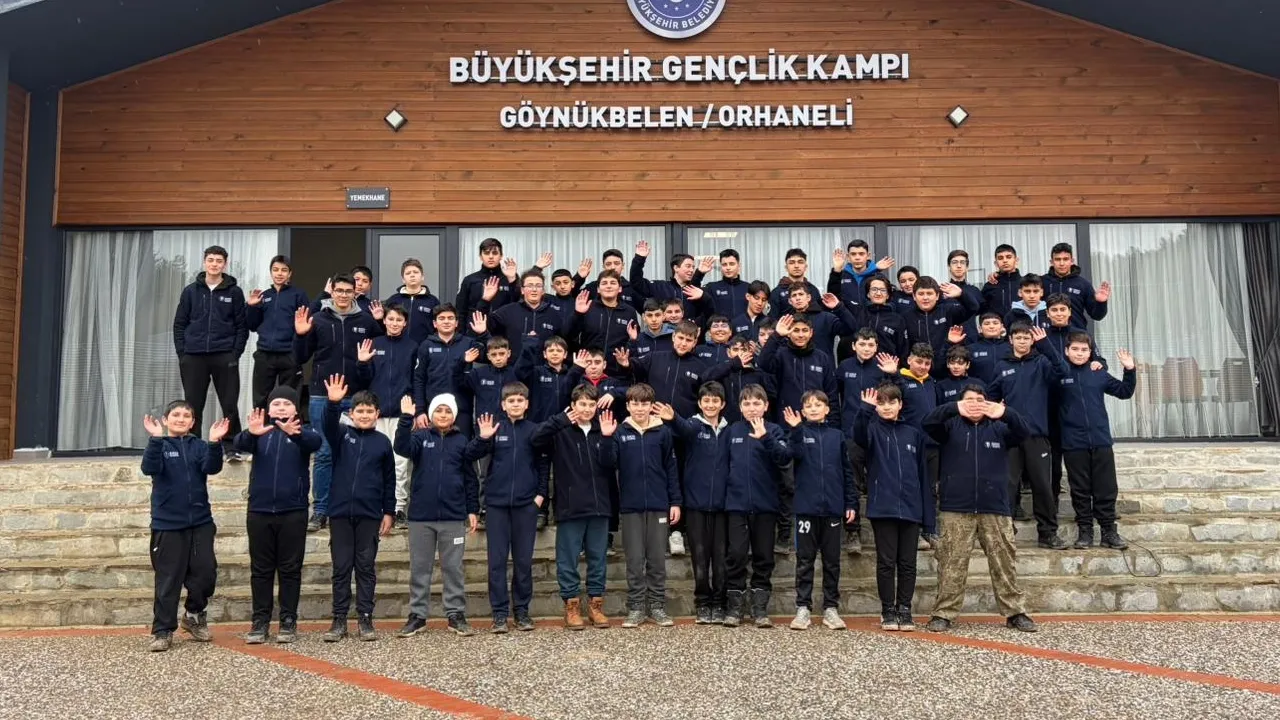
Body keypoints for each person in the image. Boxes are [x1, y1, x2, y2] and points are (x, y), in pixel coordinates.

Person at [922, 386, 1038, 634]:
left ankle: (1015, 612)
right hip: (956, 508)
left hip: (995, 508)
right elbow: (928, 423)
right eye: (969, 400)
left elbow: (1024, 431)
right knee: (951, 562)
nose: (975, 404)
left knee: (1004, 562)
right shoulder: (949, 427)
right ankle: (943, 613)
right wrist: (954, 408)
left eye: (979, 400)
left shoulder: (1000, 429)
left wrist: (1005, 413)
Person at [293, 274, 385, 532]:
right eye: (339, 290)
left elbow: (374, 363)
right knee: (324, 453)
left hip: (355, 398)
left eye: (348, 291)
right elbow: (300, 357)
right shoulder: (318, 319)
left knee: (356, 453)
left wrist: (364, 364)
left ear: (355, 293)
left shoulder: (366, 321)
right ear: (331, 292)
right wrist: (301, 335)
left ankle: (354, 507)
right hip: (322, 396)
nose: (343, 295)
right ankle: (320, 511)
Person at [394, 394, 487, 638]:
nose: (443, 415)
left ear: (454, 415)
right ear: (431, 414)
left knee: (453, 568)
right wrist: (406, 419)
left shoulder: (462, 441)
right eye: (439, 410)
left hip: (453, 517)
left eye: (447, 411)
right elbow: (401, 447)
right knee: (420, 568)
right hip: (421, 517)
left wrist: (472, 509)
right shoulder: (420, 437)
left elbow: (470, 478)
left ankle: (455, 614)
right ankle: (417, 615)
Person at [233, 388, 322, 645]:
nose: (281, 407)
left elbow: (315, 443)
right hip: (259, 511)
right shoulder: (261, 431)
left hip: (293, 512)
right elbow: (239, 444)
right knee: (260, 570)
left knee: (290, 569)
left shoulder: (302, 432)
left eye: (286, 403)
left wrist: (296, 434)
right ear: (269, 409)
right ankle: (260, 621)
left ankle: (288, 620)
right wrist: (251, 433)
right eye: (276, 403)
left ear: (295, 408)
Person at [140, 403, 228, 652]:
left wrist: (214, 442)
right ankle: (162, 630)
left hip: (200, 522)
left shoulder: (198, 446)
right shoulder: (160, 445)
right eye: (176, 415)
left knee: (206, 574)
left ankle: (193, 615)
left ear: (193, 422)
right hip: (167, 524)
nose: (181, 419)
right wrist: (155, 439)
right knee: (168, 580)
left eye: (186, 415)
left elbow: (212, 467)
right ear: (165, 420)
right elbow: (149, 468)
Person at [531, 384, 619, 630]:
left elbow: (611, 463)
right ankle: (571, 605)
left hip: (600, 505)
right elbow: (535, 439)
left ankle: (596, 605)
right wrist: (559, 419)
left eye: (591, 404)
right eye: (582, 404)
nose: (587, 409)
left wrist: (608, 438)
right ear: (573, 405)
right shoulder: (561, 430)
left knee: (598, 558)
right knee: (567, 559)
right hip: (570, 506)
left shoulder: (604, 428)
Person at [852, 384, 935, 632]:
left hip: (911, 506)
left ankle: (905, 608)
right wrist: (865, 410)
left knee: (908, 563)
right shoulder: (872, 430)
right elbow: (858, 435)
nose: (886, 407)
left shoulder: (913, 434)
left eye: (891, 402)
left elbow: (923, 475)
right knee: (886, 562)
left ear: (900, 404)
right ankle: (888, 609)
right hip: (883, 507)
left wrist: (928, 519)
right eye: (881, 403)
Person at [319, 376, 396, 643]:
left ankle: (365, 618)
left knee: (365, 567)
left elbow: (389, 480)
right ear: (351, 414)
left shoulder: (383, 442)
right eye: (360, 411)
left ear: (377, 414)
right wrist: (333, 403)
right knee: (341, 567)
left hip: (369, 514)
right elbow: (328, 425)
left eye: (369, 411)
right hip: (340, 512)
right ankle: (339, 620)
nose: (364, 415)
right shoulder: (341, 435)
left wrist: (389, 511)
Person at [986, 323, 1069, 549]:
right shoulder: (1002, 366)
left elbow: (1063, 371)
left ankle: (1048, 533)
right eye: (1018, 337)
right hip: (1010, 435)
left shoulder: (1042, 362)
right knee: (1008, 485)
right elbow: (992, 397)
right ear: (1010, 340)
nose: (1022, 341)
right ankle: (1005, 532)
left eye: (1026, 338)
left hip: (1037, 435)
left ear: (1032, 341)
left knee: (1042, 485)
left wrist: (1046, 345)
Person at [656, 384, 730, 624]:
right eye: (706, 400)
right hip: (696, 504)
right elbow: (683, 429)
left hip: (722, 506)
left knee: (720, 558)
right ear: (699, 403)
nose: (710, 405)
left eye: (715, 401)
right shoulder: (694, 425)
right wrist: (673, 418)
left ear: (722, 404)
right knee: (700, 557)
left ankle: (719, 603)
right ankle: (703, 603)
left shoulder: (729, 431)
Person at [782, 392, 855, 632]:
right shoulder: (798, 433)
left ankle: (831, 608)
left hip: (832, 509)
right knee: (805, 560)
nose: (813, 408)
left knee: (832, 561)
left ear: (827, 409)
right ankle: (803, 607)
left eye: (818, 404)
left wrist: (850, 503)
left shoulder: (837, 436)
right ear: (803, 411)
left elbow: (847, 472)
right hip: (806, 508)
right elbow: (792, 455)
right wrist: (795, 430)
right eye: (808, 405)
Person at [612, 384, 682, 628]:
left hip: (658, 503)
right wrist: (607, 438)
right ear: (628, 405)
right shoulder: (619, 432)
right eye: (635, 404)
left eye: (644, 404)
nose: (639, 408)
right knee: (634, 560)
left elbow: (671, 468)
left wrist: (675, 501)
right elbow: (609, 464)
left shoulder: (663, 432)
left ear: (651, 406)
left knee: (656, 559)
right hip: (631, 506)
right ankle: (636, 608)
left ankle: (657, 606)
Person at [481, 382, 547, 633]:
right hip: (497, 506)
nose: (516, 404)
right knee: (496, 562)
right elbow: (479, 460)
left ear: (527, 404)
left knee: (522, 561)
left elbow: (543, 464)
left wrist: (540, 495)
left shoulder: (535, 430)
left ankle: (521, 611)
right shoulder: (494, 429)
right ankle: (499, 614)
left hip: (525, 505)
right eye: (511, 401)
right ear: (503, 404)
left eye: (520, 400)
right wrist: (483, 438)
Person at [723, 384, 792, 628]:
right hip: (736, 505)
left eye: (756, 403)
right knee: (736, 555)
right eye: (747, 403)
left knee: (763, 556)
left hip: (765, 505)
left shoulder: (775, 430)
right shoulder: (732, 431)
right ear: (740, 407)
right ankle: (735, 607)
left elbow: (784, 458)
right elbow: (723, 465)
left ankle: (759, 608)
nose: (752, 408)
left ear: (765, 405)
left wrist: (765, 437)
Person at [1058, 339, 1136, 549]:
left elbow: (1124, 392)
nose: (1079, 353)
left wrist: (1129, 370)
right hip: (1073, 442)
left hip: (1100, 440)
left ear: (1090, 352)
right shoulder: (1059, 374)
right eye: (1075, 349)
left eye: (1084, 350)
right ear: (1066, 351)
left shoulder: (1098, 373)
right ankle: (1085, 531)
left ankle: (1109, 531)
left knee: (1106, 488)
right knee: (1080, 490)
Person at [173, 245, 248, 460]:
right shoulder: (191, 291)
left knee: (229, 403)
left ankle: (231, 447)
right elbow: (179, 324)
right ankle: (193, 446)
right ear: (205, 262)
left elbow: (241, 326)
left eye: (219, 261)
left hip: (224, 354)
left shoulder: (234, 292)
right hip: (193, 355)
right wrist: (183, 354)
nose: (214, 264)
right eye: (211, 260)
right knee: (193, 403)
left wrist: (234, 354)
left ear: (225, 264)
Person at [835, 329, 897, 553]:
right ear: (854, 346)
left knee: (882, 479)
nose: (866, 348)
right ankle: (853, 532)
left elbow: (896, 398)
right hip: (851, 433)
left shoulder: (883, 368)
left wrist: (892, 375)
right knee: (851, 482)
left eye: (871, 345)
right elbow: (835, 397)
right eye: (862, 344)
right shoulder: (844, 367)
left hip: (878, 431)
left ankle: (887, 530)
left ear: (877, 347)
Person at [355, 308, 417, 529]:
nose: (394, 323)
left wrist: (414, 410)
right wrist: (362, 363)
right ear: (385, 321)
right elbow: (363, 380)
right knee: (375, 460)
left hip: (402, 413)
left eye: (399, 319)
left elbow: (417, 379)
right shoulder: (374, 344)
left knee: (400, 463)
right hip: (377, 413)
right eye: (391, 319)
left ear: (405, 323)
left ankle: (398, 508)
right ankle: (376, 506)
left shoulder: (412, 346)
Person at [245, 254, 309, 410]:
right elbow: (252, 325)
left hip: (289, 354)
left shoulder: (298, 295)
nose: (279, 273)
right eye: (275, 270)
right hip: (264, 353)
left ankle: (289, 426)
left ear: (290, 273)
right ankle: (261, 426)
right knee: (260, 399)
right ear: (271, 272)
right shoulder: (264, 296)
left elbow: (305, 324)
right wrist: (252, 306)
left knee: (290, 398)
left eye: (284, 270)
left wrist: (298, 350)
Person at [411, 304, 484, 437]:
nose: (446, 321)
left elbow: (490, 356)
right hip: (434, 409)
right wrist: (420, 411)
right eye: (442, 318)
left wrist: (483, 334)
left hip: (462, 410)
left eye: (450, 318)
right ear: (435, 323)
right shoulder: (426, 345)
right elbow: (419, 379)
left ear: (456, 323)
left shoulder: (468, 343)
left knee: (462, 447)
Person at [617, 320, 707, 420]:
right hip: (653, 421)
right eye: (680, 338)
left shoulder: (701, 367)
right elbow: (635, 367)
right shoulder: (655, 357)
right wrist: (626, 364)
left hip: (684, 423)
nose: (683, 343)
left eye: (688, 340)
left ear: (694, 342)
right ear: (673, 337)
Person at [482, 269, 573, 362]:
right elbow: (485, 325)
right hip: (513, 368)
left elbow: (564, 342)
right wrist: (485, 301)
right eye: (530, 286)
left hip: (543, 369)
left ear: (543, 291)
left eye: (538, 286)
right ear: (522, 290)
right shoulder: (507, 311)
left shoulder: (554, 315)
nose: (534, 289)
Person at [902, 276, 978, 369]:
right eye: (921, 294)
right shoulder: (905, 317)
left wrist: (961, 294)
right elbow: (903, 348)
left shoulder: (947, 311)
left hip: (946, 369)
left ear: (937, 296)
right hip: (919, 370)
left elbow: (973, 308)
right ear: (914, 296)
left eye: (929, 293)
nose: (925, 297)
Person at [573, 272, 637, 376]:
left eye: (613, 283)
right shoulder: (587, 307)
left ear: (620, 288)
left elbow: (633, 342)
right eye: (604, 283)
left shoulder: (629, 312)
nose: (608, 286)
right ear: (598, 289)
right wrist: (578, 314)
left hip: (617, 374)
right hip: (589, 371)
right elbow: (569, 335)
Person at [630, 241, 709, 322]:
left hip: (688, 330)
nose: (692, 270)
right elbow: (636, 283)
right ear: (676, 268)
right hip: (663, 329)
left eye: (693, 267)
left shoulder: (696, 291)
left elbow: (707, 312)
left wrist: (699, 273)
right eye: (688, 266)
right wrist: (639, 258)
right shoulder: (660, 287)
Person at [703, 336, 774, 425]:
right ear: (728, 352)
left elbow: (772, 396)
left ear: (750, 351)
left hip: (756, 424)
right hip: (729, 425)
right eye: (735, 350)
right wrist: (734, 363)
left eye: (743, 350)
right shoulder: (723, 372)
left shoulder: (758, 373)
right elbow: (705, 378)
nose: (740, 353)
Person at [838, 275, 908, 363]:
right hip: (859, 367)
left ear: (888, 295)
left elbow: (903, 350)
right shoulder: (857, 313)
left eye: (883, 290)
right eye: (874, 289)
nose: (878, 293)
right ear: (868, 294)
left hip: (886, 368)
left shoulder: (897, 319)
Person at [1043, 242, 1110, 330]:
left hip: (1076, 335)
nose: (1062, 263)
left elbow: (1097, 316)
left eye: (1065, 259)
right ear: (1051, 262)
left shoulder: (1083, 284)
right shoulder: (1042, 282)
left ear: (1072, 261)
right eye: (1058, 259)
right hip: (1048, 334)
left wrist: (1101, 303)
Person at [383, 258, 441, 345]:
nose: (412, 275)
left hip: (424, 347)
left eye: (415, 272)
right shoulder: (393, 300)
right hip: (397, 347)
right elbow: (385, 326)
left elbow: (439, 327)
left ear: (422, 277)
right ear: (403, 279)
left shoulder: (432, 301)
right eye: (408, 273)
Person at [456, 237, 514, 319]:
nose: (491, 257)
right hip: (475, 325)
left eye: (495, 253)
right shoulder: (469, 280)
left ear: (501, 256)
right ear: (480, 256)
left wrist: (513, 281)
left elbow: (518, 305)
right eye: (486, 253)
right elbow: (461, 311)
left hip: (503, 326)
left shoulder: (509, 278)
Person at [947, 313, 1008, 384]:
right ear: (980, 329)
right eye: (987, 324)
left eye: (995, 323)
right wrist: (951, 343)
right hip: (977, 389)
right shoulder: (970, 349)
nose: (991, 326)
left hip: (1007, 390)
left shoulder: (1011, 348)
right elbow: (944, 367)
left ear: (1002, 327)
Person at [827, 240, 888, 310]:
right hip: (845, 316)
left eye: (861, 254)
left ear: (868, 256)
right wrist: (837, 270)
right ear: (848, 256)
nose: (857, 258)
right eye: (853, 254)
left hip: (872, 316)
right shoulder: (839, 275)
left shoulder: (878, 276)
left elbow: (889, 300)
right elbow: (832, 298)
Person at [769, 248, 822, 318]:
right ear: (786, 267)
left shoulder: (813, 290)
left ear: (806, 267)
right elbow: (772, 320)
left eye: (800, 262)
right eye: (791, 263)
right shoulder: (776, 292)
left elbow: (820, 315)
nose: (796, 266)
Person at [703, 249, 750, 320]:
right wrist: (700, 273)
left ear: (739, 265)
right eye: (724, 264)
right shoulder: (711, 287)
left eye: (732, 264)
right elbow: (692, 293)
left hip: (744, 327)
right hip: (720, 326)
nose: (728, 268)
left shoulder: (748, 288)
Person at [982, 244, 1023, 319]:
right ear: (996, 263)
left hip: (1022, 326)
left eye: (1009, 257)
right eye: (1000, 258)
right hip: (998, 326)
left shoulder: (1026, 284)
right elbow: (983, 312)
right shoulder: (989, 286)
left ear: (1016, 260)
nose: (1005, 261)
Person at [629, 298, 675, 364]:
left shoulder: (674, 337)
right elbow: (633, 364)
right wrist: (632, 341)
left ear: (664, 316)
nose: (654, 319)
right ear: (644, 317)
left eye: (657, 315)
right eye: (649, 315)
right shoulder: (638, 339)